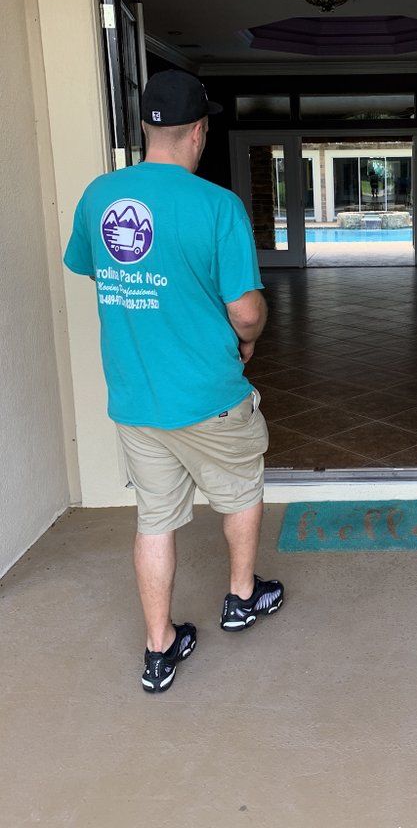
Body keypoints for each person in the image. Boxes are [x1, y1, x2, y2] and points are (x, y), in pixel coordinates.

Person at [63, 70, 283, 694]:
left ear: (145, 128)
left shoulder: (99, 197)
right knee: (240, 489)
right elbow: (245, 309)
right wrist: (250, 338)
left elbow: (93, 268)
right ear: (200, 131)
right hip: (210, 393)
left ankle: (159, 649)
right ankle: (241, 598)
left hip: (136, 398)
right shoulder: (216, 206)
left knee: (154, 517)